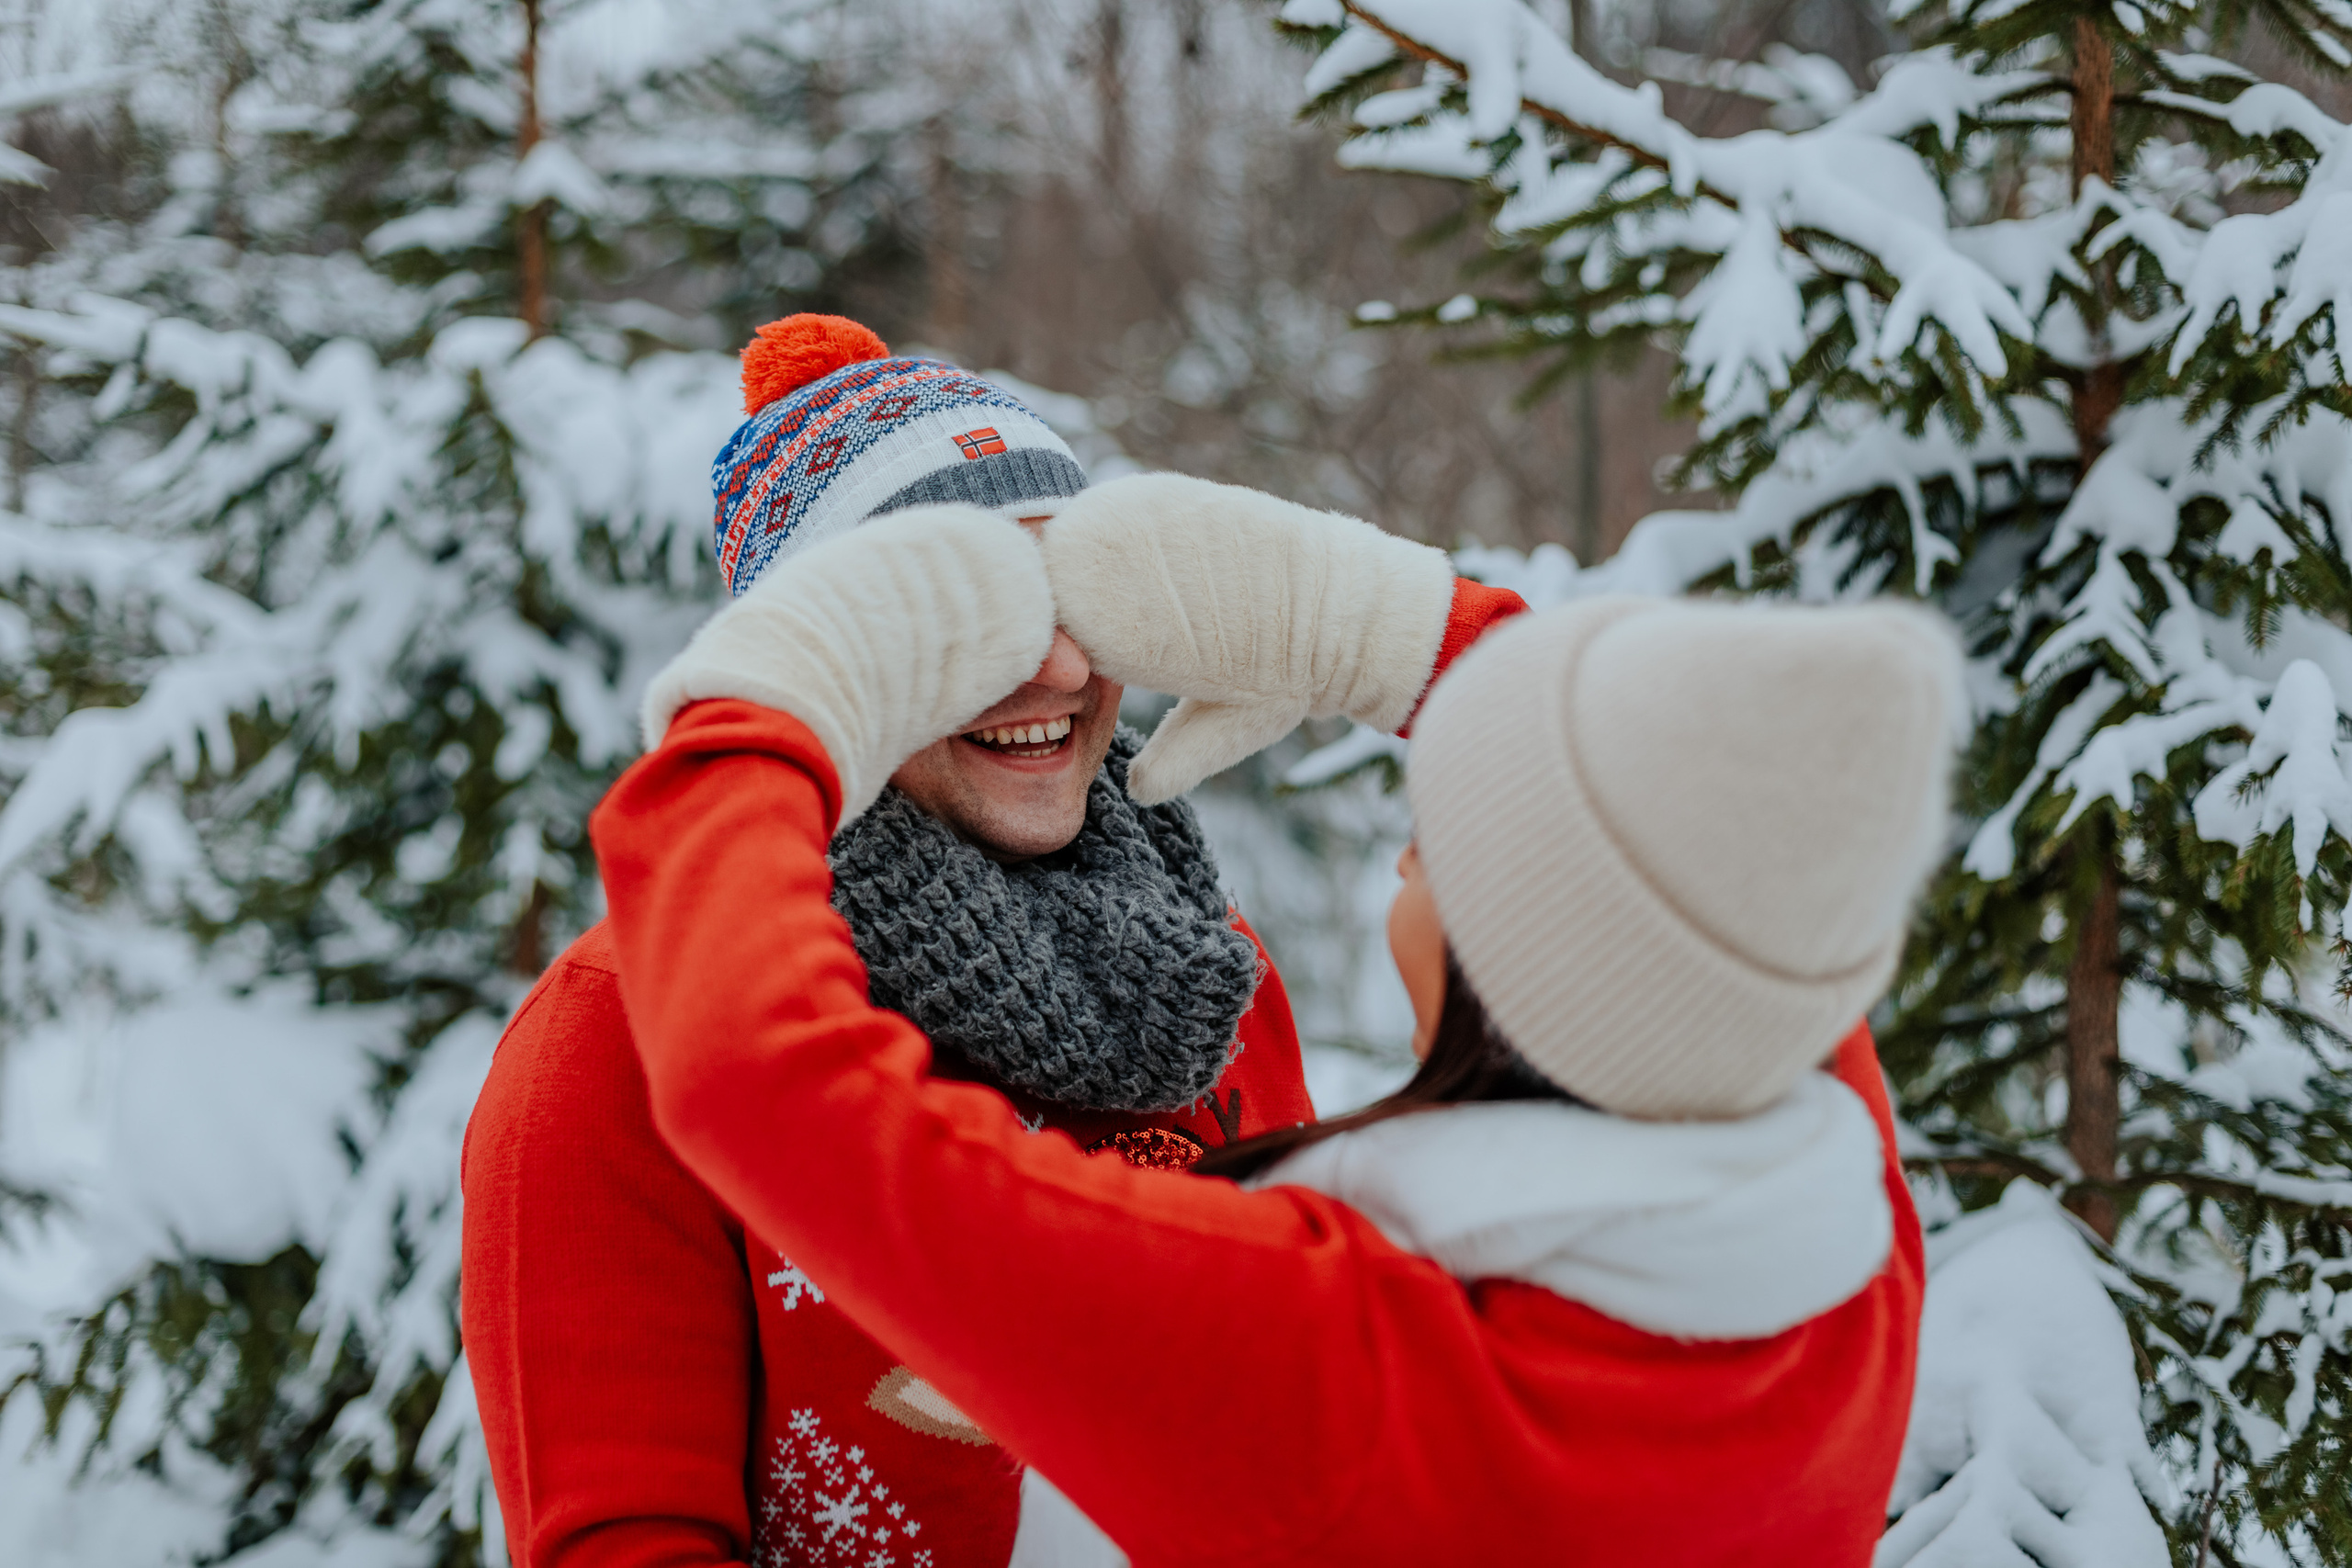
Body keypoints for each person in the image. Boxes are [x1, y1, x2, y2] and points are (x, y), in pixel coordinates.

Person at [588, 496, 1947, 1565]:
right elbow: (1760, 872)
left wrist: (766, 712)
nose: (1408, 858)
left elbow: (760, 1078)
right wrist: (1390, 632)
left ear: (1529, 963)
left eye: (1447, 834)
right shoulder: (1850, 1262)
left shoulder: (1332, 1366)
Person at [459, 316, 1527, 1566]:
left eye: (1069, 593)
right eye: (962, 615)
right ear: (832, 664)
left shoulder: (1208, 967)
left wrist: (1395, 635)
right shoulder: (621, 1035)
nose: (1056, 666)